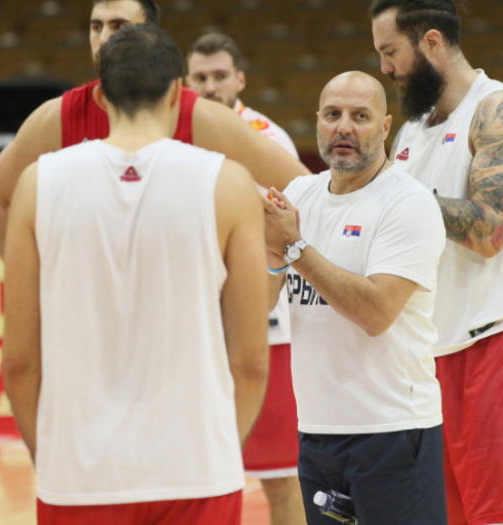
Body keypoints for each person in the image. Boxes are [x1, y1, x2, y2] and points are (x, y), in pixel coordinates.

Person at [2, 25, 270, 525]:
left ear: (100, 96)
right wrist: (217, 453)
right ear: (177, 92)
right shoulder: (228, 184)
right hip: (196, 471)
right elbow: (252, 361)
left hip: (79, 476)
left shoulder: (37, 184)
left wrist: (53, 458)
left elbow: (19, 362)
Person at [370, 2, 503, 524]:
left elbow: (489, 228)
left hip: (495, 340)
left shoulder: (502, 109)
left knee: (502, 517)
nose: (384, 68)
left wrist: (394, 200)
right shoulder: (410, 133)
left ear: (431, 42)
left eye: (390, 52)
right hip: (427, 353)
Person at [0, 0, 311, 255]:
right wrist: (40, 282)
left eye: (118, 26)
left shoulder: (200, 116)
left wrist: (279, 263)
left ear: (149, 35)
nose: (104, 37)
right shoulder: (57, 116)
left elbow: (304, 191)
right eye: (96, 26)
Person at [264, 72, 447, 525]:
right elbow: (264, 301)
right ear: (318, 123)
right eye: (333, 115)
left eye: (359, 116)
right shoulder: (300, 195)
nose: (344, 127)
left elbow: (376, 311)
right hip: (317, 432)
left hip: (392, 431)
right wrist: (269, 252)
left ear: (385, 127)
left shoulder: (408, 203)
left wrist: (294, 249)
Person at [186, 32, 306, 525]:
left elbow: (283, 224)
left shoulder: (265, 139)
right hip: (198, 321)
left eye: (220, 76)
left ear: (240, 79)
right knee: (204, 475)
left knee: (281, 477)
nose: (211, 86)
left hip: (264, 324)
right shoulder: (175, 135)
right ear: (185, 81)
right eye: (201, 77)